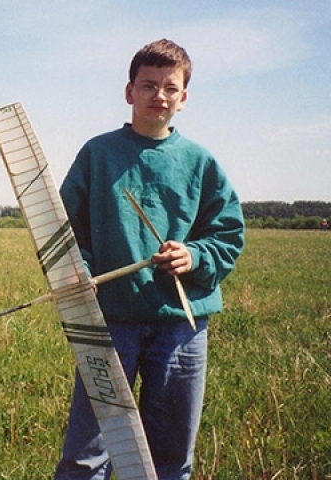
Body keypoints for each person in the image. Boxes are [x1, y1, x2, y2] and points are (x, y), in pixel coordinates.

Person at [54, 39, 244, 480]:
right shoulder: (97, 154)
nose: (159, 95)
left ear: (184, 97)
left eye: (170, 88)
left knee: (171, 458)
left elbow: (227, 234)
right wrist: (81, 271)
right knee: (86, 454)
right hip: (109, 322)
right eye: (148, 85)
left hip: (180, 327)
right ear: (129, 91)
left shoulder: (200, 162)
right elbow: (66, 228)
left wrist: (194, 255)